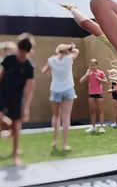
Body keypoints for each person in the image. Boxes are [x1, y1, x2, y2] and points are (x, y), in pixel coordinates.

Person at [0, 33, 35, 166]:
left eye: (24, 53)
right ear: (18, 49)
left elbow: (30, 88)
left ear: (28, 51)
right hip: (2, 93)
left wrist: (26, 107)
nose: (21, 55)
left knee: (17, 125)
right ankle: (10, 129)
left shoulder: (29, 66)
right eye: (19, 51)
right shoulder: (9, 59)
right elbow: (1, 76)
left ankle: (15, 154)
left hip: (16, 97)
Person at [42, 43, 79, 151]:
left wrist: (52, 67)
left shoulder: (51, 60)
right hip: (68, 89)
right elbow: (76, 51)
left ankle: (55, 140)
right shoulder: (69, 58)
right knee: (66, 117)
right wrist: (70, 48)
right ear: (66, 51)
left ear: (57, 50)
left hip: (55, 89)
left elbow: (44, 71)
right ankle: (64, 144)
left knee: (56, 115)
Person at [80, 58, 107, 133]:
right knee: (92, 111)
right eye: (91, 65)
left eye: (94, 65)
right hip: (91, 94)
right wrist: (86, 74)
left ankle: (101, 127)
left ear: (97, 65)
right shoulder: (89, 73)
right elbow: (81, 81)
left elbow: (106, 82)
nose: (93, 67)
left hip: (99, 94)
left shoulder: (101, 73)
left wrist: (98, 78)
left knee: (101, 110)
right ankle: (93, 127)